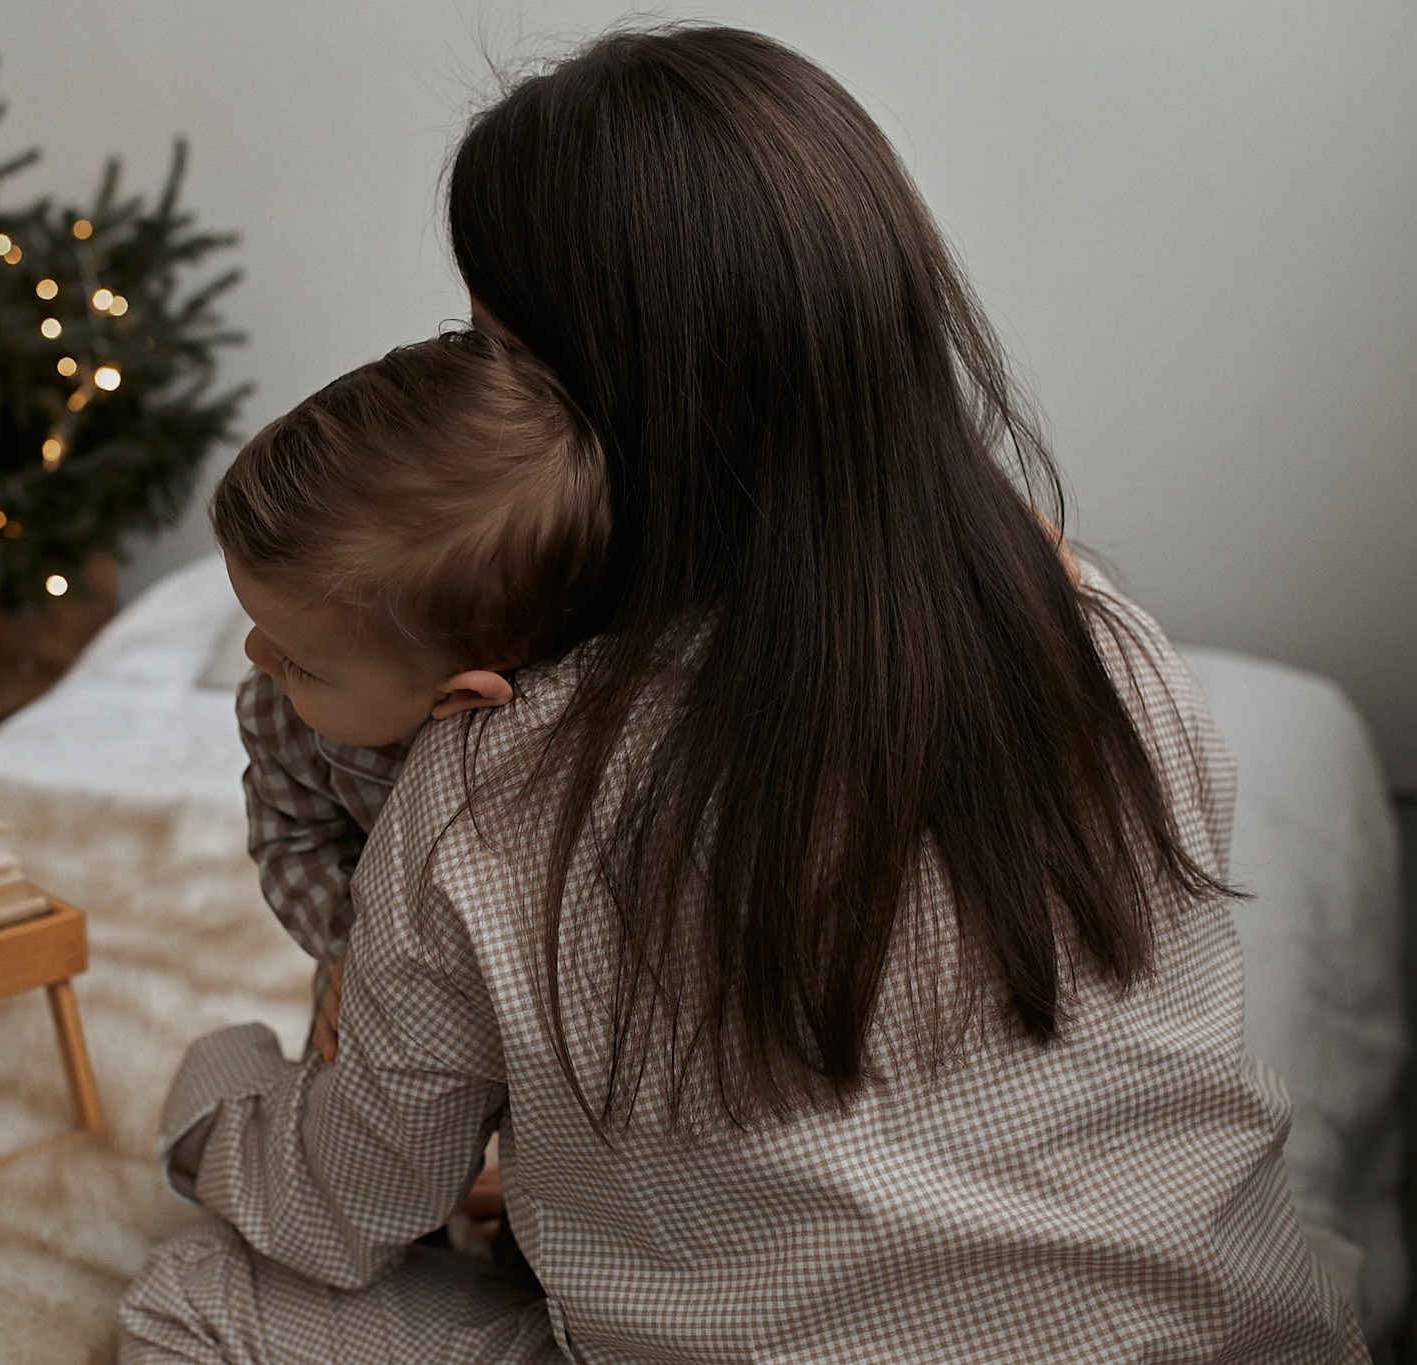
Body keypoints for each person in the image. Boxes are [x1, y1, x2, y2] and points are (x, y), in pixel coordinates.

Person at [120, 24, 1366, 1362]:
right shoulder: (1108, 646)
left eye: (486, 346)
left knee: (194, 1302)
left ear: (609, 401)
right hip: (1246, 1337)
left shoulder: (491, 780)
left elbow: (342, 1214)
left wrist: (216, 1092)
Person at [212, 328, 605, 1068]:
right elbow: (291, 844)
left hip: (542, 982)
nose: (256, 658)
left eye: (299, 659)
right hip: (373, 950)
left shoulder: (575, 730)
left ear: (459, 695)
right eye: (255, 624)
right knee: (342, 1079)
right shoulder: (279, 714)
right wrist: (355, 955)